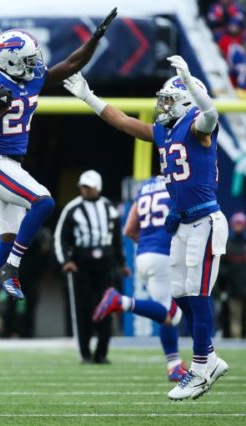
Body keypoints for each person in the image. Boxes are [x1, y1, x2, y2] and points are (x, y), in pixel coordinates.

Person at [63, 55, 230, 400]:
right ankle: (208, 357)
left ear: (186, 101)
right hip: (182, 223)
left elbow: (212, 115)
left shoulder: (198, 125)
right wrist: (89, 97)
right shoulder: (165, 132)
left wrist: (189, 79)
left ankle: (201, 366)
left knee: (197, 296)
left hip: (204, 221)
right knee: (181, 296)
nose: (162, 106)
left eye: (169, 99)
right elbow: (123, 122)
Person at [0, 8, 119, 346]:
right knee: (43, 202)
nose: (36, 63)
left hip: (9, 166)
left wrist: (95, 38)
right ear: (10, 60)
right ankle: (11, 269)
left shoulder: (32, 77)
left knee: (7, 238)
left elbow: (71, 64)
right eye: (29, 59)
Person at [92, 176, 187, 382]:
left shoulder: (146, 186)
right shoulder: (178, 182)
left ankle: (174, 366)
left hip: (143, 255)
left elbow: (128, 229)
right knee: (172, 315)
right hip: (164, 255)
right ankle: (120, 301)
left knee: (165, 315)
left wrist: (148, 245)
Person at [54, 170, 129, 364]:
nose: (85, 190)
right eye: (83, 186)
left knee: (107, 306)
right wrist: (66, 261)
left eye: (89, 186)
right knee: (83, 308)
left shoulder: (109, 208)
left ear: (98, 187)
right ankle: (85, 353)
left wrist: (122, 263)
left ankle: (102, 353)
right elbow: (60, 237)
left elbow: (117, 239)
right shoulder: (73, 208)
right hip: (82, 264)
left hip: (105, 264)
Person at [219, 212, 246, 337]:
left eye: (240, 224)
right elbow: (222, 268)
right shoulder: (227, 243)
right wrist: (224, 289)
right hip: (233, 290)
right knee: (234, 318)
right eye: (236, 224)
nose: (238, 227)